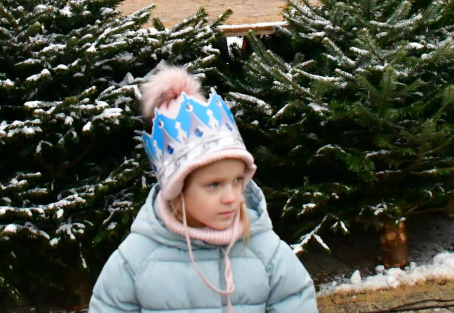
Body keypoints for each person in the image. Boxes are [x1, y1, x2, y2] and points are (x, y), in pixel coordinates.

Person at [90, 66, 318, 312]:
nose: (231, 197)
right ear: (177, 190)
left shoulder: (266, 251)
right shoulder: (136, 259)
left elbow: (296, 302)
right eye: (213, 185)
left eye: (238, 181)